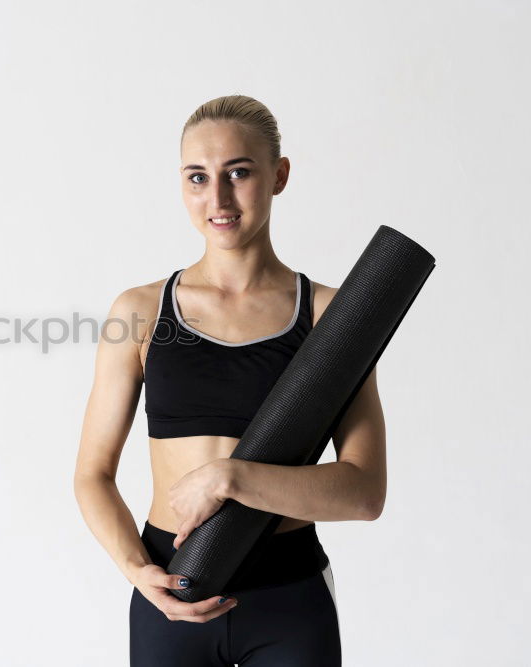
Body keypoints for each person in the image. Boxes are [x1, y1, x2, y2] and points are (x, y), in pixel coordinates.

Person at [72, 94, 387, 666]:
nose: (216, 199)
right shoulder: (140, 312)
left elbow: (364, 494)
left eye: (238, 173)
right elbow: (92, 474)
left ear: (279, 175)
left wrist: (229, 478)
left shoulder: (330, 317)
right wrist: (137, 571)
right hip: (173, 593)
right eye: (197, 178)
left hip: (290, 600)